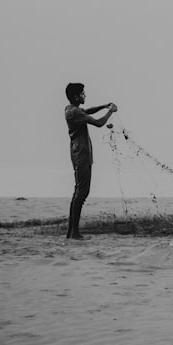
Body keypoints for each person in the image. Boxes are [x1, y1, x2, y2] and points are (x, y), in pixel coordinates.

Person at [64, 83, 117, 240]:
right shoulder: (74, 112)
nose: (85, 96)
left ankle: (71, 232)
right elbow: (99, 123)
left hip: (78, 153)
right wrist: (110, 112)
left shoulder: (70, 109)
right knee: (82, 192)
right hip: (82, 155)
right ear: (76, 97)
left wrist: (104, 105)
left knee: (78, 191)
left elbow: (87, 111)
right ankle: (74, 233)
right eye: (82, 94)